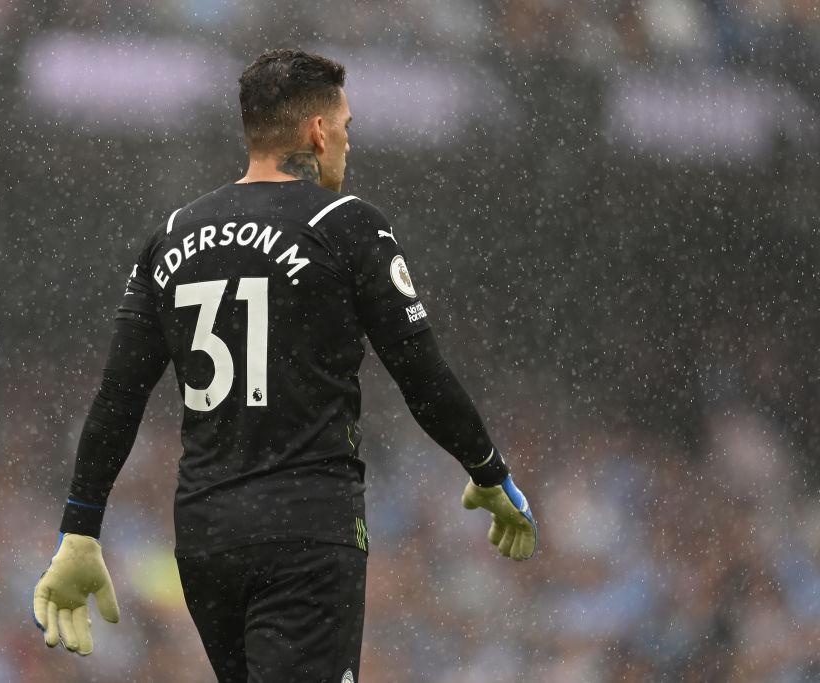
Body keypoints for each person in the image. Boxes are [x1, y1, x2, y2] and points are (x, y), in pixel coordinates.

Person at [32, 48, 537, 682]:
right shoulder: (344, 224)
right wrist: (486, 469)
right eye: (346, 127)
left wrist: (80, 528)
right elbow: (422, 375)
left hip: (207, 537)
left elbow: (118, 397)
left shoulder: (171, 235)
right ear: (318, 132)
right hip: (306, 528)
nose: (348, 144)